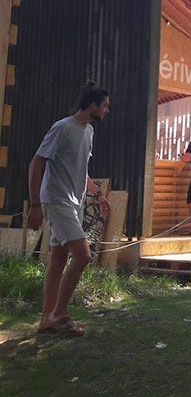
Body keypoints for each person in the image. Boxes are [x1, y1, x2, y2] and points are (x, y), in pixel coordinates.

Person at [28, 83, 111, 336]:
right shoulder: (62, 128)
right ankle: (60, 314)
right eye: (105, 105)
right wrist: (34, 205)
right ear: (93, 105)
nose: (107, 110)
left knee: (58, 261)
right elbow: (36, 164)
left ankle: (45, 319)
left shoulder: (89, 132)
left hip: (75, 201)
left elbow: (80, 169)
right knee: (84, 255)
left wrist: (98, 194)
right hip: (56, 199)